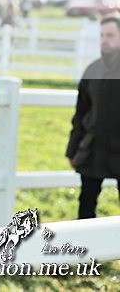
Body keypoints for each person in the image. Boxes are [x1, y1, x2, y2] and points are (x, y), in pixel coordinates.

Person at [66, 15, 120, 218]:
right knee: (86, 208)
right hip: (93, 150)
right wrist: (72, 150)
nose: (105, 40)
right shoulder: (93, 70)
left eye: (111, 35)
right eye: (102, 35)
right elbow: (80, 115)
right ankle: (87, 250)